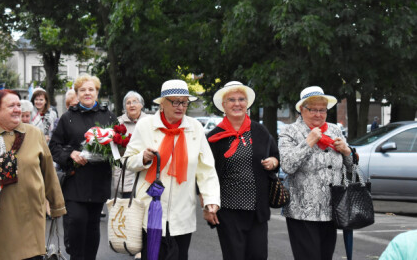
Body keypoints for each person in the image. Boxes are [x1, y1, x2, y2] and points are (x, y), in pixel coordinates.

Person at [123, 79, 220, 260]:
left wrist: (211, 200)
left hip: (182, 213)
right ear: (162, 103)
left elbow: (206, 169)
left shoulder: (195, 128)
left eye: (184, 102)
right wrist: (143, 158)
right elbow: (126, 161)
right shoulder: (145, 126)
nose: (180, 107)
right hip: (149, 211)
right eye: (175, 101)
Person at [0, 89, 66, 260]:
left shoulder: (34, 134)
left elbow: (48, 171)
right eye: (11, 105)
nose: (17, 109)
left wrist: (57, 205)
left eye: (18, 105)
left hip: (32, 214)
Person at [206, 81, 279, 259]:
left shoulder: (260, 131)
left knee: (258, 255)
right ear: (223, 105)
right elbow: (205, 174)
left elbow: (276, 156)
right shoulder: (214, 136)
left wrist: (274, 162)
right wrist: (207, 204)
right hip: (228, 210)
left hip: (257, 210)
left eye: (241, 99)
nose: (237, 104)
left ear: (247, 103)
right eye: (231, 100)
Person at [278, 86, 353, 260]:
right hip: (302, 211)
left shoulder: (334, 130)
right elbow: (287, 166)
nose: (318, 114)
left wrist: (347, 151)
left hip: (331, 209)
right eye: (313, 110)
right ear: (301, 110)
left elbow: (350, 167)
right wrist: (309, 141)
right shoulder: (290, 132)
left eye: (322, 110)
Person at [49, 74, 117, 260]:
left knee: (93, 227)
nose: (87, 93)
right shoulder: (68, 117)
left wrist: (110, 150)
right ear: (77, 93)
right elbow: (53, 146)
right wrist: (70, 154)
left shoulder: (108, 116)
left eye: (91, 89)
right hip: (75, 180)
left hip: (99, 179)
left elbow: (119, 144)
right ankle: (75, 256)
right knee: (77, 222)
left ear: (97, 92)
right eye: (83, 90)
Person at [113, 91, 148, 198]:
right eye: (128, 103)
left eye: (135, 102)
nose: (132, 105)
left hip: (146, 172)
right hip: (125, 175)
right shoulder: (118, 123)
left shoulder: (149, 122)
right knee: (129, 211)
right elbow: (114, 152)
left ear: (141, 105)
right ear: (125, 107)